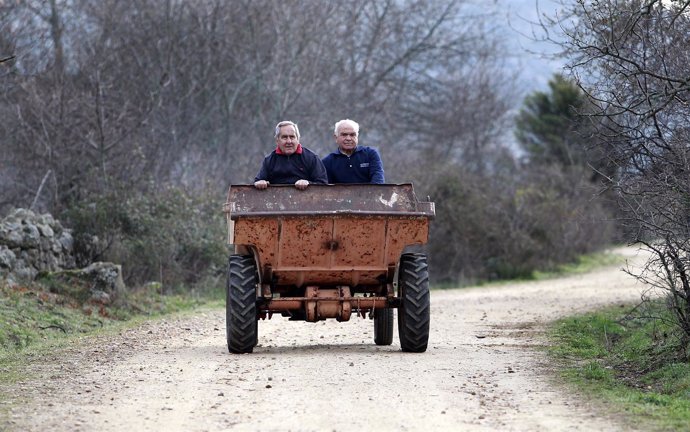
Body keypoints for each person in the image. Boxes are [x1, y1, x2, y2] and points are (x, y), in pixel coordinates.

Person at [254, 120, 328, 190]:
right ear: (277, 140)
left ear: (298, 139)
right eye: (284, 137)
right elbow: (257, 182)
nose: (289, 141)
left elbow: (323, 184)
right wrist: (261, 183)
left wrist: (308, 183)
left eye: (292, 137)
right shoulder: (269, 160)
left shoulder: (311, 158)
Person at [321, 119, 384, 184]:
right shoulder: (327, 162)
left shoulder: (370, 154)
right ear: (336, 138)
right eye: (344, 135)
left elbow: (378, 182)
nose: (348, 138)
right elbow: (326, 188)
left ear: (357, 136)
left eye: (352, 135)